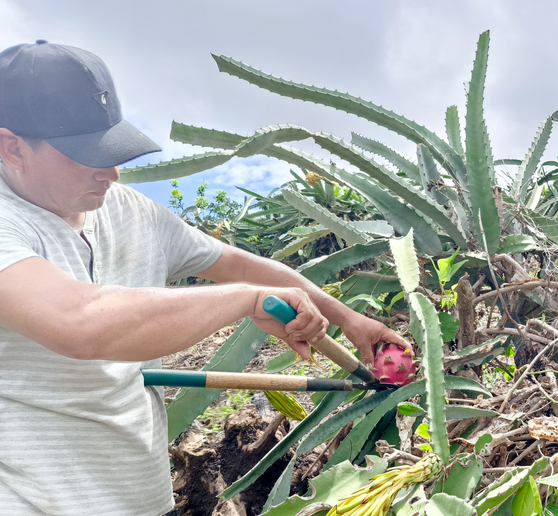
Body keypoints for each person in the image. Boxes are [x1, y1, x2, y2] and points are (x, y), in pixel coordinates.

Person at [0, 40, 410, 516]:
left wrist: (350, 320)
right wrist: (246, 300)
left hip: (144, 499)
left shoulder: (133, 213)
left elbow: (241, 265)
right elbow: (78, 323)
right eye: (85, 154)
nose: (110, 173)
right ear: (12, 147)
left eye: (113, 149)